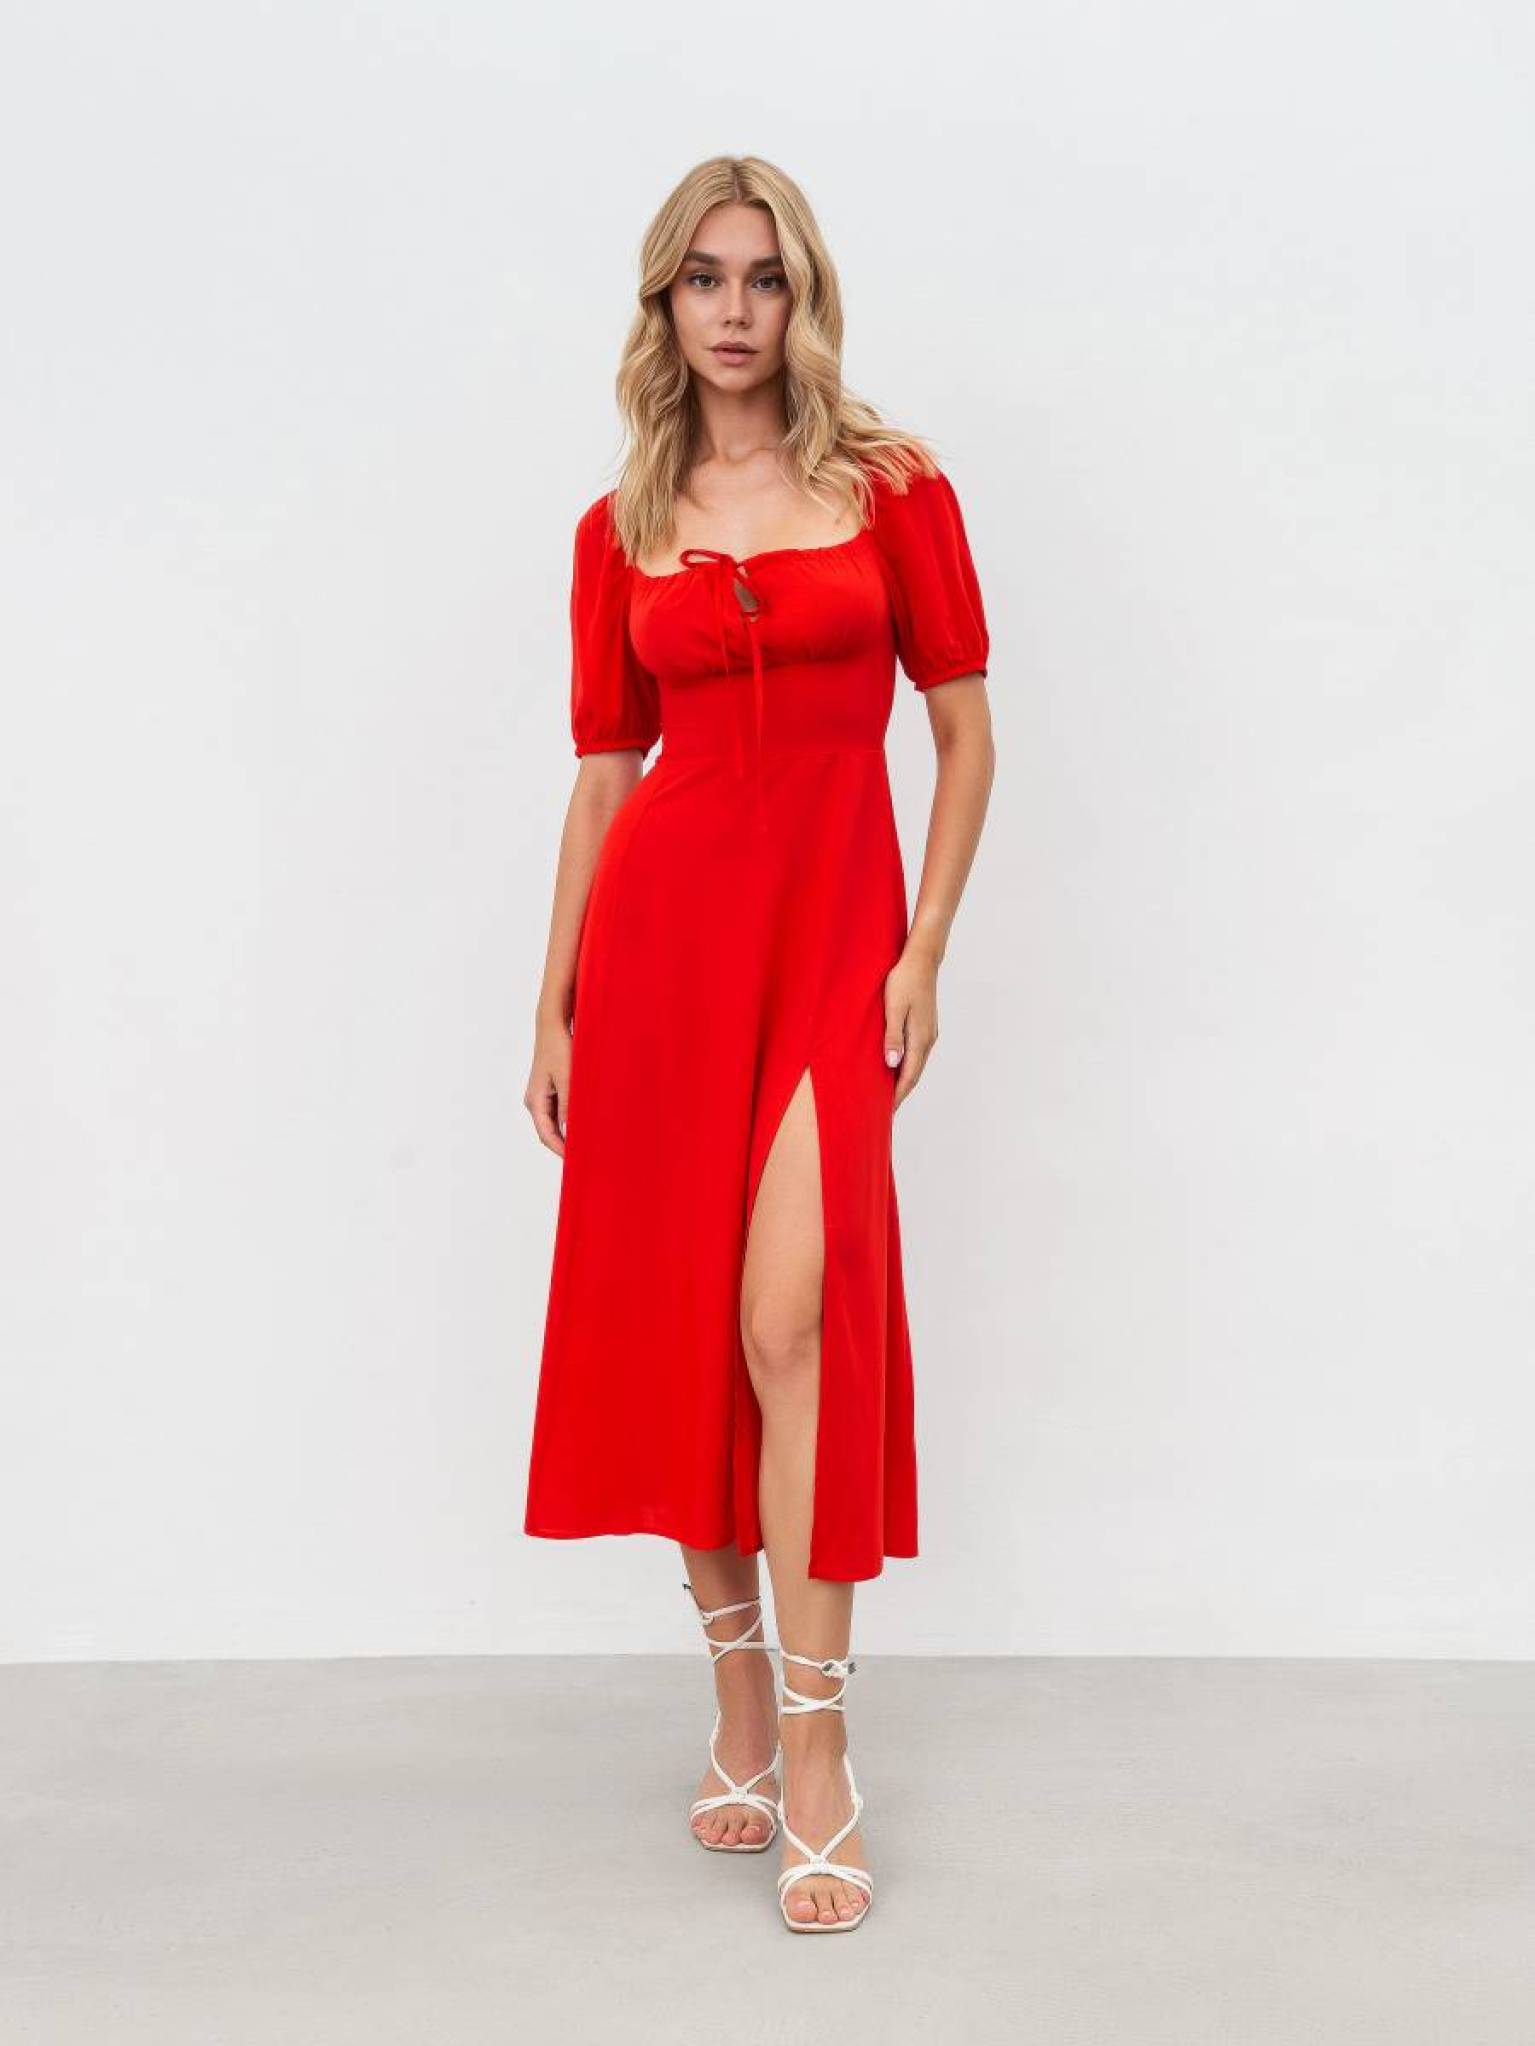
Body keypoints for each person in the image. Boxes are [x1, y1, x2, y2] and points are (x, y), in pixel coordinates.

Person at [522, 155, 995, 1933]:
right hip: (658, 960)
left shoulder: (895, 491)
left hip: (832, 946)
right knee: (679, 1332)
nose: (736, 309)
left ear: (806, 297)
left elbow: (964, 733)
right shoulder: (621, 526)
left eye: (766, 276)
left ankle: (814, 1741)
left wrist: (923, 949)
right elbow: (603, 776)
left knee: (791, 1316)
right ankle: (733, 1693)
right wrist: (552, 999)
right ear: (666, 305)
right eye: (705, 279)